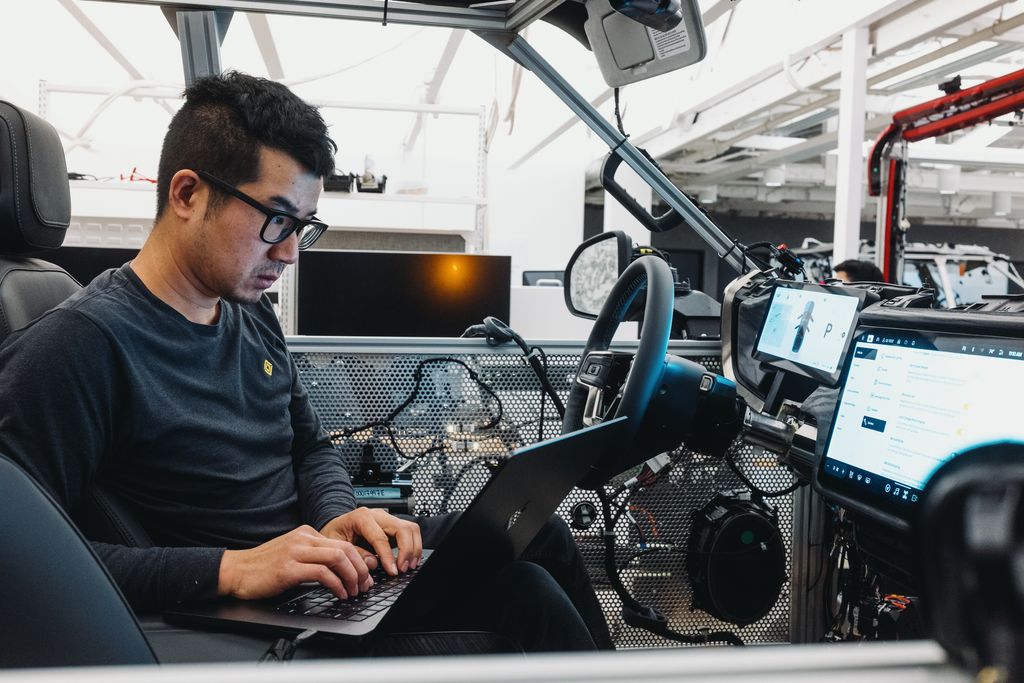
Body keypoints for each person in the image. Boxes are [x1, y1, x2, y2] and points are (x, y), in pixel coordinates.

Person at [0, 72, 610, 653]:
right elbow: (23, 562)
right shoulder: (77, 346)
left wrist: (340, 516)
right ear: (187, 194)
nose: (291, 252)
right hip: (242, 617)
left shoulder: (248, 310)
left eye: (303, 225)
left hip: (316, 577)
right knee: (526, 598)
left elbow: (309, 447)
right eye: (276, 220)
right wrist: (233, 569)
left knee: (538, 535)